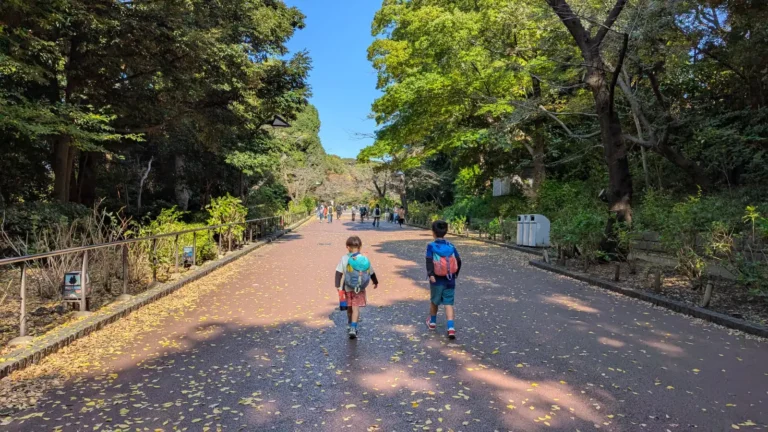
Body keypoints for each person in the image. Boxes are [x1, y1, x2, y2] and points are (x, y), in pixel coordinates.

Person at [335, 236, 379, 339]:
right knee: (356, 309)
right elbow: (371, 272)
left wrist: (337, 285)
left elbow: (338, 272)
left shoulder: (345, 258)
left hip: (347, 288)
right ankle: (354, 328)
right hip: (360, 289)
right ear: (360, 247)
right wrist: (375, 282)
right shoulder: (364, 259)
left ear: (347, 247)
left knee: (349, 308)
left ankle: (350, 324)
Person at [425, 220, 462, 339]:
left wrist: (430, 274)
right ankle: (451, 328)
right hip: (450, 278)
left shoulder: (431, 246)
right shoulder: (451, 246)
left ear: (433, 233)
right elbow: (458, 260)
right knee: (448, 303)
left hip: (436, 279)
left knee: (434, 301)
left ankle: (432, 323)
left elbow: (429, 261)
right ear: (445, 232)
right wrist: (455, 273)